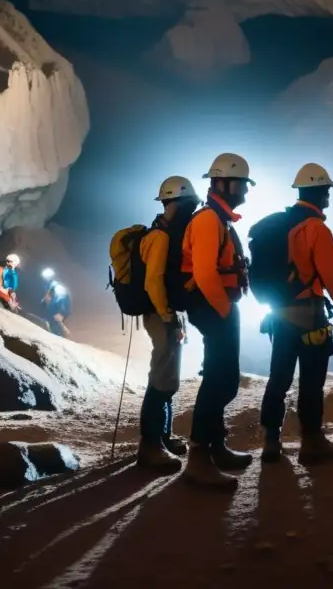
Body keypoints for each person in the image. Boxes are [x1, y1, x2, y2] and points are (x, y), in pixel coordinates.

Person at [260, 163, 333, 464]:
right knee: (311, 381)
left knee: (279, 377)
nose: (329, 195)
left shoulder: (281, 224)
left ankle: (271, 441)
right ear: (318, 191)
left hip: (280, 314)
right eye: (327, 190)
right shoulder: (316, 229)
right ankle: (312, 443)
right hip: (309, 314)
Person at [180, 152, 254, 490]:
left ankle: (215, 446)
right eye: (242, 185)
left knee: (223, 379)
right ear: (224, 183)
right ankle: (198, 458)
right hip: (214, 308)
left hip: (219, 306)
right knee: (218, 382)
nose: (245, 191)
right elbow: (205, 273)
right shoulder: (209, 220)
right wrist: (225, 312)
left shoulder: (220, 220)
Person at [135, 175, 201, 473]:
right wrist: (168, 317)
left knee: (168, 375)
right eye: (187, 205)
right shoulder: (160, 237)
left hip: (168, 313)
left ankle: (163, 436)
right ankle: (150, 446)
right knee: (162, 377)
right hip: (161, 314)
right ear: (171, 203)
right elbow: (153, 282)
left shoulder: (167, 233)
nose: (190, 211)